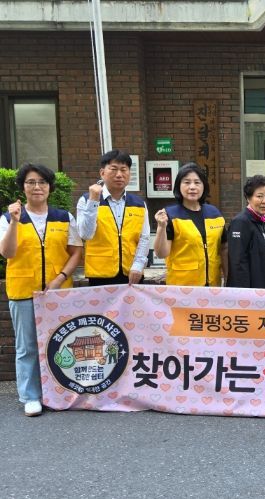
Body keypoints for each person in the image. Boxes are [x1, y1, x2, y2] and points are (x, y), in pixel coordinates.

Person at [0, 163, 83, 416]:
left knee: (62, 343)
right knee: (27, 347)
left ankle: (60, 391)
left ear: (50, 187)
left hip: (58, 292)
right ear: (23, 187)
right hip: (23, 290)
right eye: (31, 182)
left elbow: (76, 252)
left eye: (42, 182)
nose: (37, 187)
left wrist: (60, 278)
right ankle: (30, 396)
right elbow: (7, 253)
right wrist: (15, 222)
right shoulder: (8, 218)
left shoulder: (63, 217)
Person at [76, 150, 149, 286]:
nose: (119, 174)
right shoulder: (86, 200)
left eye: (124, 170)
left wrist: (138, 265)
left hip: (132, 272)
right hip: (100, 274)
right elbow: (85, 234)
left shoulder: (139, 203)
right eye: (114, 169)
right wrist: (93, 202)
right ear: (102, 173)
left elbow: (144, 238)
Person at [153, 163, 227, 286]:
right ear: (179, 186)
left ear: (204, 186)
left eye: (197, 183)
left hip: (213, 285)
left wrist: (228, 277)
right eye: (187, 182)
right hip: (182, 286)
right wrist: (161, 227)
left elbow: (224, 248)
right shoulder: (170, 215)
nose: (192, 187)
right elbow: (161, 253)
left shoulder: (214, 213)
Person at [226, 175, 265, 288]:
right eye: (259, 196)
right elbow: (238, 263)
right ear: (248, 198)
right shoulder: (240, 223)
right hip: (250, 294)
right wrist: (246, 294)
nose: (264, 201)